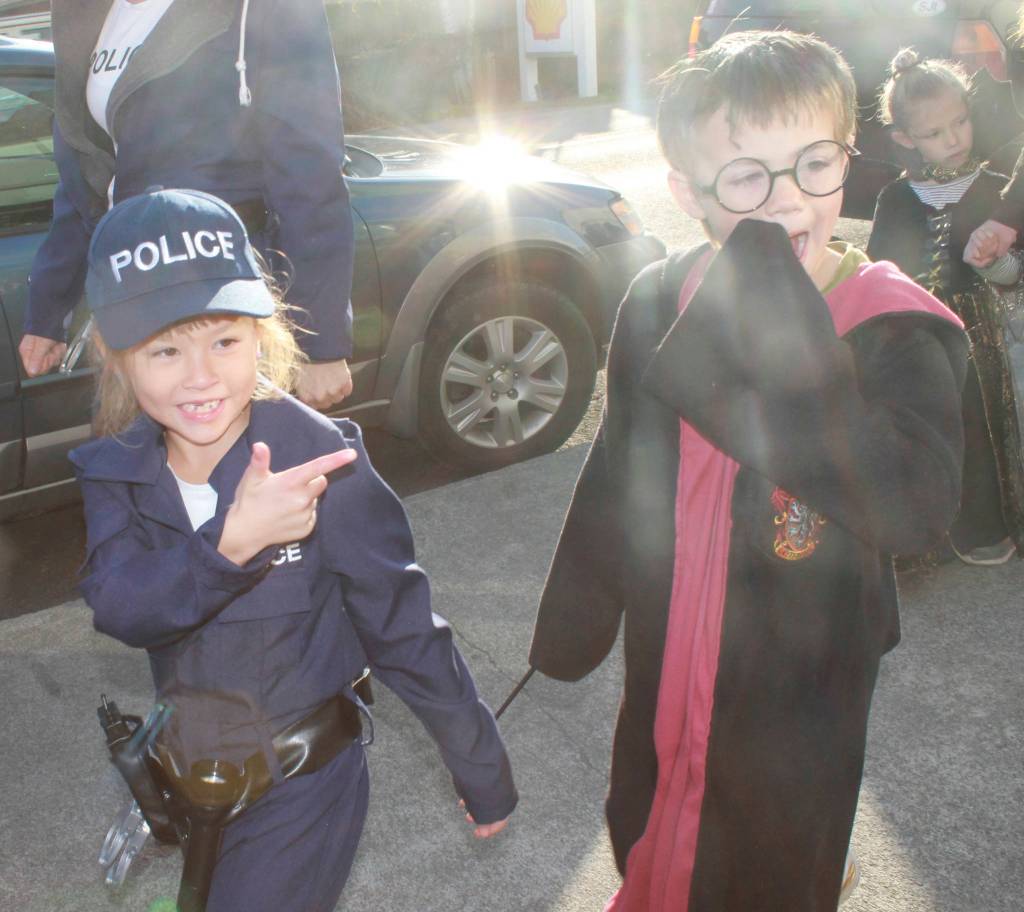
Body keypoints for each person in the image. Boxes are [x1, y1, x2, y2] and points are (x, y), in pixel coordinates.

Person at [528, 30, 967, 912]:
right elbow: (620, 469)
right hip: (669, 642)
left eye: (814, 163)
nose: (786, 199)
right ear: (688, 192)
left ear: (849, 157)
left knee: (775, 855)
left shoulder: (890, 325)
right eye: (745, 178)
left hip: (805, 670)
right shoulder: (661, 298)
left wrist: (790, 348)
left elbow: (916, 506)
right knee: (652, 811)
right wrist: (576, 618)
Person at [71, 188, 516, 912]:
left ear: (261, 333)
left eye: (224, 341)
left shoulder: (320, 460)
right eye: (165, 350)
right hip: (193, 780)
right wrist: (231, 545)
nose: (199, 376)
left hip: (302, 788)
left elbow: (402, 624)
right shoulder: (116, 469)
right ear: (115, 358)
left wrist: (478, 761)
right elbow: (123, 609)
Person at [21, 0, 355, 410]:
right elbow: (85, 177)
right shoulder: (86, 13)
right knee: (132, 446)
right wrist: (49, 309)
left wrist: (319, 342)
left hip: (222, 299)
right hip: (130, 298)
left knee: (237, 447)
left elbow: (309, 173)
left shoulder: (263, 8)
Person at [867, 48, 1020, 565]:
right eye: (935, 133)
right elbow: (879, 274)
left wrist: (994, 263)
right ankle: (924, 533)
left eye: (960, 122)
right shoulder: (896, 199)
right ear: (905, 139)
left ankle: (985, 524)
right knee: (921, 426)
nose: (953, 139)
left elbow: (1015, 275)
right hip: (915, 334)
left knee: (979, 424)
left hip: (982, 336)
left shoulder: (998, 193)